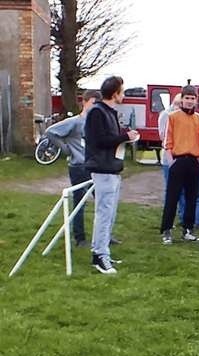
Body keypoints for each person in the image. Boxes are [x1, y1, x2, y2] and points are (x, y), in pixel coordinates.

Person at [84, 76, 139, 274]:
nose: (123, 95)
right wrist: (124, 137)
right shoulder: (97, 112)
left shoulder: (109, 112)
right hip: (102, 168)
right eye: (122, 91)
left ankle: (102, 251)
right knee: (104, 213)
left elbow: (110, 138)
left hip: (112, 167)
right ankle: (100, 255)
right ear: (115, 93)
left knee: (110, 213)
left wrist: (126, 136)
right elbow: (99, 141)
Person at [46, 89, 102, 248]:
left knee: (102, 201)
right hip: (79, 167)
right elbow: (51, 132)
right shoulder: (75, 122)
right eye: (92, 103)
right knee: (79, 203)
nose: (95, 107)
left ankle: (104, 235)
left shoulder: (96, 123)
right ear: (84, 102)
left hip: (95, 166)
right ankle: (80, 238)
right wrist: (66, 149)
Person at [160, 85, 199, 244]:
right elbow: (167, 141)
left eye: (192, 98)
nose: (189, 101)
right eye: (187, 98)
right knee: (172, 197)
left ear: (196, 100)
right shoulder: (172, 117)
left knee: (192, 197)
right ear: (182, 99)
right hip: (178, 160)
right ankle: (166, 230)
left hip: (194, 161)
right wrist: (171, 161)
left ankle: (188, 229)